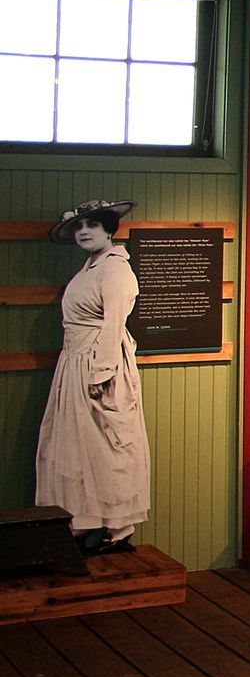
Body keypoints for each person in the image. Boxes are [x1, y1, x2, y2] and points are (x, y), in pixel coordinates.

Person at [35, 199, 151, 554]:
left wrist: (101, 373)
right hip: (76, 361)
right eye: (78, 228)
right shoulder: (90, 268)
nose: (84, 233)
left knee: (109, 448)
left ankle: (117, 528)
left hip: (100, 365)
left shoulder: (115, 271)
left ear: (108, 230)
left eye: (92, 226)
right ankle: (87, 521)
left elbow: (113, 324)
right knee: (78, 448)